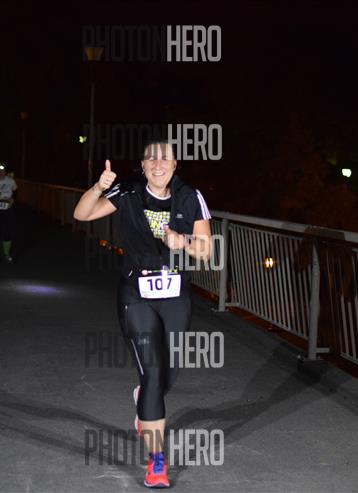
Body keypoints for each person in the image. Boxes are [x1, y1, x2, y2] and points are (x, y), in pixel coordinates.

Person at [73, 141, 212, 488]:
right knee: (152, 375)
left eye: (165, 159)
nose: (158, 164)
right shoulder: (128, 192)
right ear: (143, 165)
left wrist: (183, 243)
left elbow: (206, 251)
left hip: (176, 296)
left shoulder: (190, 197)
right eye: (152, 159)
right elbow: (82, 214)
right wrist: (98, 187)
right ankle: (157, 461)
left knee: (167, 377)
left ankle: (144, 401)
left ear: (175, 165)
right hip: (137, 295)